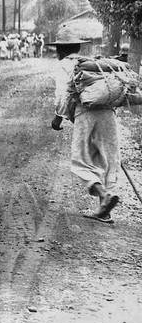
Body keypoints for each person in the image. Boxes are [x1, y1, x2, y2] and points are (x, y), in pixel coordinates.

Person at [49, 31, 122, 222]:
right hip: (108, 112)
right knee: (107, 159)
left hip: (86, 112)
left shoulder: (63, 65)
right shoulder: (91, 63)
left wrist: (58, 117)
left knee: (81, 159)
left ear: (60, 50)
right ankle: (104, 211)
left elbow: (63, 94)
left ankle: (104, 196)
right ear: (78, 47)